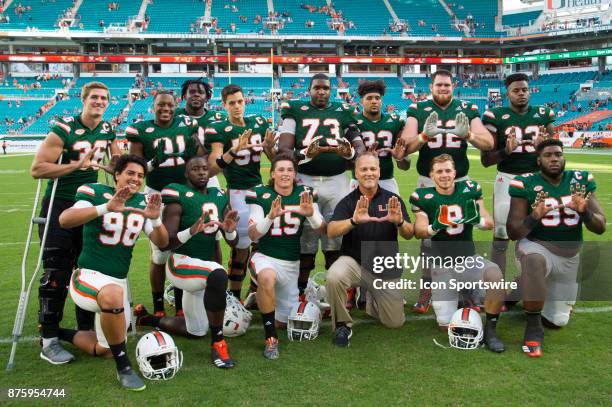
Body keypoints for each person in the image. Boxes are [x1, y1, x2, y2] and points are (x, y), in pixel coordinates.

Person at [57, 154, 169, 390]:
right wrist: (105, 208)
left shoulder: (143, 202)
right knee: (113, 296)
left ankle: (57, 333)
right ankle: (125, 368)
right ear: (116, 174)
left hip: (117, 282)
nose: (135, 179)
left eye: (140, 175)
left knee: (106, 348)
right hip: (88, 277)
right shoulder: (95, 191)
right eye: (130, 173)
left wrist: (156, 220)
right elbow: (65, 220)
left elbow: (162, 242)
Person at [30, 81, 121, 365]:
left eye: (104, 98)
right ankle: (49, 338)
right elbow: (38, 169)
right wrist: (74, 166)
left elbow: (116, 160)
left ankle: (85, 329)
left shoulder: (107, 130)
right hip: (60, 203)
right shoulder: (64, 128)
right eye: (94, 97)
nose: (99, 101)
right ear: (84, 99)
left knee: (89, 270)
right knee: (56, 271)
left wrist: (113, 166)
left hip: (89, 205)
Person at [401, 69, 494, 314]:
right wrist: (423, 135)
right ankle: (427, 288)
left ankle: (465, 289)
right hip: (429, 180)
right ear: (430, 87)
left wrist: (469, 135)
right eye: (439, 85)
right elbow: (404, 147)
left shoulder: (467, 108)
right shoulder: (417, 110)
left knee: (462, 231)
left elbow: (488, 143)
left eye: (447, 85)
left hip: (460, 178)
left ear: (453, 86)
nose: (443, 89)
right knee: (427, 239)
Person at [134, 156, 239, 368]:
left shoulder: (219, 195)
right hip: (180, 263)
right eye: (195, 169)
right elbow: (166, 243)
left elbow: (234, 241)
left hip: (201, 269)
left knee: (196, 330)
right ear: (186, 173)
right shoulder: (177, 194)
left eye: (204, 169)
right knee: (218, 273)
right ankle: (218, 342)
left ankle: (147, 319)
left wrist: (230, 230)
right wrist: (190, 232)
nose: (201, 172)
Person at [507, 139, 605, 357]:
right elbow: (513, 232)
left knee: (558, 321)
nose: (554, 159)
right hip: (536, 246)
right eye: (548, 155)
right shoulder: (525, 183)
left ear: (564, 158)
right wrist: (534, 216)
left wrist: (585, 212)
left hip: (569, 257)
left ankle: (521, 288)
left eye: (558, 154)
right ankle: (533, 327)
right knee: (534, 261)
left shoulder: (580, 180)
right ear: (538, 160)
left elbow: (600, 226)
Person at [277, 73, 365, 299]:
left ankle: (337, 290)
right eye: (317, 88)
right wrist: (305, 153)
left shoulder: (343, 110)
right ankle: (301, 291)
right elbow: (284, 150)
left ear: (331, 90)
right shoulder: (294, 109)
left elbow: (359, 146)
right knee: (306, 235)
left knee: (336, 235)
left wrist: (353, 152)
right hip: (305, 180)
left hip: (337, 181)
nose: (322, 92)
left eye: (325, 88)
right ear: (309, 90)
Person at [410, 154, 505, 352]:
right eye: (439, 171)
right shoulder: (422, 196)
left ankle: (491, 330)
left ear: (455, 173)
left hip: (468, 260)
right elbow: (418, 231)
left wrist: (477, 220)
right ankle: (467, 296)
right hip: (441, 266)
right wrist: (434, 227)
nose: (444, 175)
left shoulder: (470, 190)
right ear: (431, 175)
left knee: (495, 273)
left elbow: (489, 223)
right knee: (445, 325)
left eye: (448, 170)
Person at [126, 90, 204, 318]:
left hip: (183, 194)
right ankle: (159, 306)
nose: (166, 109)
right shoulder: (141, 129)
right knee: (160, 253)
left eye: (170, 105)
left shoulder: (188, 123)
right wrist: (152, 163)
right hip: (157, 194)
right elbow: (136, 167)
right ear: (153, 106)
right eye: (161, 105)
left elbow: (200, 157)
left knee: (182, 248)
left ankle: (180, 305)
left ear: (176, 105)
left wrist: (193, 153)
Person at [325, 152, 414, 347]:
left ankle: (373, 302)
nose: (368, 173)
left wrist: (399, 221)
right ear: (356, 173)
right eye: (364, 169)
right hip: (355, 263)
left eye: (372, 169)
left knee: (394, 322)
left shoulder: (393, 199)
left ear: (379, 172)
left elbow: (409, 233)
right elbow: (331, 231)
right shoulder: (348, 201)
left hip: (384, 268)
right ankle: (342, 324)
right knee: (334, 276)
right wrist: (353, 221)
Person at [246, 153, 325, 359]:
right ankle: (270, 340)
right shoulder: (260, 194)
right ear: (272, 173)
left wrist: (311, 215)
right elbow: (254, 235)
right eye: (280, 169)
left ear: (295, 174)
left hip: (291, 264)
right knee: (267, 278)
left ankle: (260, 298)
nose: (285, 173)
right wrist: (270, 217)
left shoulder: (305, 194)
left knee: (284, 323)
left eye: (289, 170)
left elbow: (323, 229)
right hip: (265, 257)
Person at [481, 73, 556, 280]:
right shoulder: (495, 115)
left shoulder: (543, 114)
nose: (521, 94)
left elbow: (555, 157)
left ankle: (531, 282)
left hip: (537, 180)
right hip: (507, 178)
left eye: (524, 89)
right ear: (507, 93)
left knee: (540, 233)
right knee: (502, 235)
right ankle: (498, 285)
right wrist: (506, 151)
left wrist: (543, 147)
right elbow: (486, 160)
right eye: (516, 90)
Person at [206, 84, 273, 300]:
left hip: (259, 191)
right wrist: (233, 151)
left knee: (263, 245)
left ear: (246, 101)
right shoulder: (219, 129)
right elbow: (211, 169)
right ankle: (234, 297)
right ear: (224, 105)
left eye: (240, 101)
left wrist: (270, 148)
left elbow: (274, 158)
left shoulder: (258, 123)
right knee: (241, 247)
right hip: (237, 193)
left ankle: (255, 291)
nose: (237, 106)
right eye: (232, 103)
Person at [350, 80, 409, 195]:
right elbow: (347, 162)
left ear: (381, 101)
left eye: (377, 98)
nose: (374, 101)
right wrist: (363, 159)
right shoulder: (352, 121)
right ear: (361, 101)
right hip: (359, 181)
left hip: (386, 180)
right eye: (369, 98)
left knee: (394, 212)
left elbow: (405, 166)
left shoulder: (395, 121)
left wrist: (400, 158)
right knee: (355, 212)